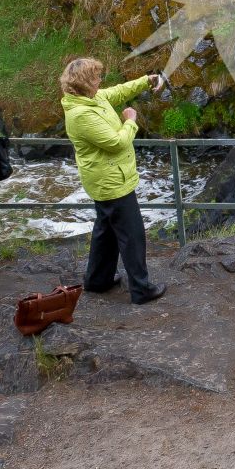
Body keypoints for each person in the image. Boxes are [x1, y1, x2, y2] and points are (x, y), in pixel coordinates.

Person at [60, 57, 166, 305]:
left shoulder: (91, 98)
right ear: (86, 83)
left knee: (106, 230)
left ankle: (98, 280)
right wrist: (130, 120)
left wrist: (145, 81)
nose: (100, 80)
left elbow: (117, 92)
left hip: (105, 179)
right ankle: (141, 289)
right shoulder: (81, 114)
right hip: (112, 182)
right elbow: (116, 143)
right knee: (132, 234)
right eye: (96, 77)